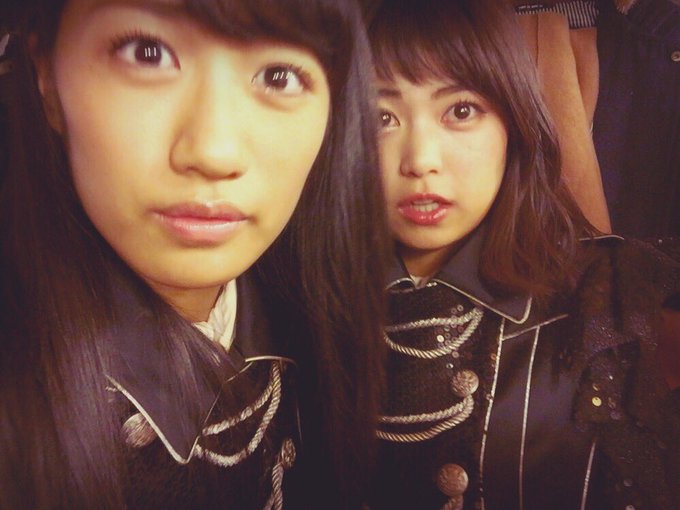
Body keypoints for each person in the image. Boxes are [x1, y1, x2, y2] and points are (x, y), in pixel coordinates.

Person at [0, 0, 387, 508]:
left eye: (279, 76)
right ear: (47, 80)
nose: (213, 152)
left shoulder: (317, 322)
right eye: (147, 53)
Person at [365, 0, 680, 508]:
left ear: (512, 122)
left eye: (460, 111)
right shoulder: (301, 306)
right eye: (382, 117)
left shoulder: (608, 301)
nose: (420, 160)